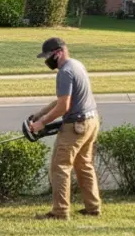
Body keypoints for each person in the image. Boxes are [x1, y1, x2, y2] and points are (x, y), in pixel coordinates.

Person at [27, 37, 101, 220]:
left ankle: (60, 212)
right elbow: (63, 99)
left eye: (48, 56)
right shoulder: (77, 65)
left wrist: (41, 123)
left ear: (58, 52)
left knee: (59, 167)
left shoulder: (65, 72)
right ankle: (93, 207)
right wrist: (39, 114)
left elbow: (63, 106)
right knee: (84, 165)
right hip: (92, 121)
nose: (47, 61)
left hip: (76, 126)